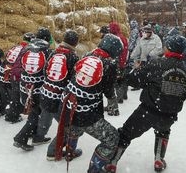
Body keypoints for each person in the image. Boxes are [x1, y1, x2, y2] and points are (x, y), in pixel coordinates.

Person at [106, 34, 186, 173]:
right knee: (163, 132)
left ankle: (112, 162)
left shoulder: (157, 63)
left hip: (148, 111)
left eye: (166, 46)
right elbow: (183, 94)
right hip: (169, 115)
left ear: (168, 49)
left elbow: (135, 80)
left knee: (126, 134)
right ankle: (158, 160)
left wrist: (129, 73)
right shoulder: (184, 69)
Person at [53, 34, 123, 172]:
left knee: (74, 127)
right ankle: (94, 170)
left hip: (67, 104)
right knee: (112, 138)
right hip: (85, 112)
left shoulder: (87, 55)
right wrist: (113, 105)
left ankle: (69, 151)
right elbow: (108, 91)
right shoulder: (110, 64)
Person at [40, 30, 81, 159]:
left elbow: (45, 71)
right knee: (69, 126)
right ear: (76, 43)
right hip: (59, 99)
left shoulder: (53, 53)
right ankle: (53, 151)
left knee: (47, 116)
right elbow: (74, 80)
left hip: (46, 92)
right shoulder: (73, 57)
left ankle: (38, 135)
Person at [13, 37, 52, 151]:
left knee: (34, 111)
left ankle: (32, 133)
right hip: (38, 89)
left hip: (25, 87)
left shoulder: (26, 51)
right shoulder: (46, 53)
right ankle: (20, 138)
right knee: (36, 113)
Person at [2, 32, 35, 123]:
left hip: (7, 73)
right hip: (17, 75)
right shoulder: (27, 50)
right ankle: (12, 116)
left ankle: (11, 112)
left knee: (14, 96)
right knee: (18, 97)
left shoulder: (15, 47)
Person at [108, 21, 129, 104]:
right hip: (123, 62)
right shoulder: (123, 37)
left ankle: (119, 97)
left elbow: (115, 52)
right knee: (123, 79)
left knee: (116, 81)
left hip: (117, 61)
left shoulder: (115, 38)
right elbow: (126, 50)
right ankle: (124, 94)